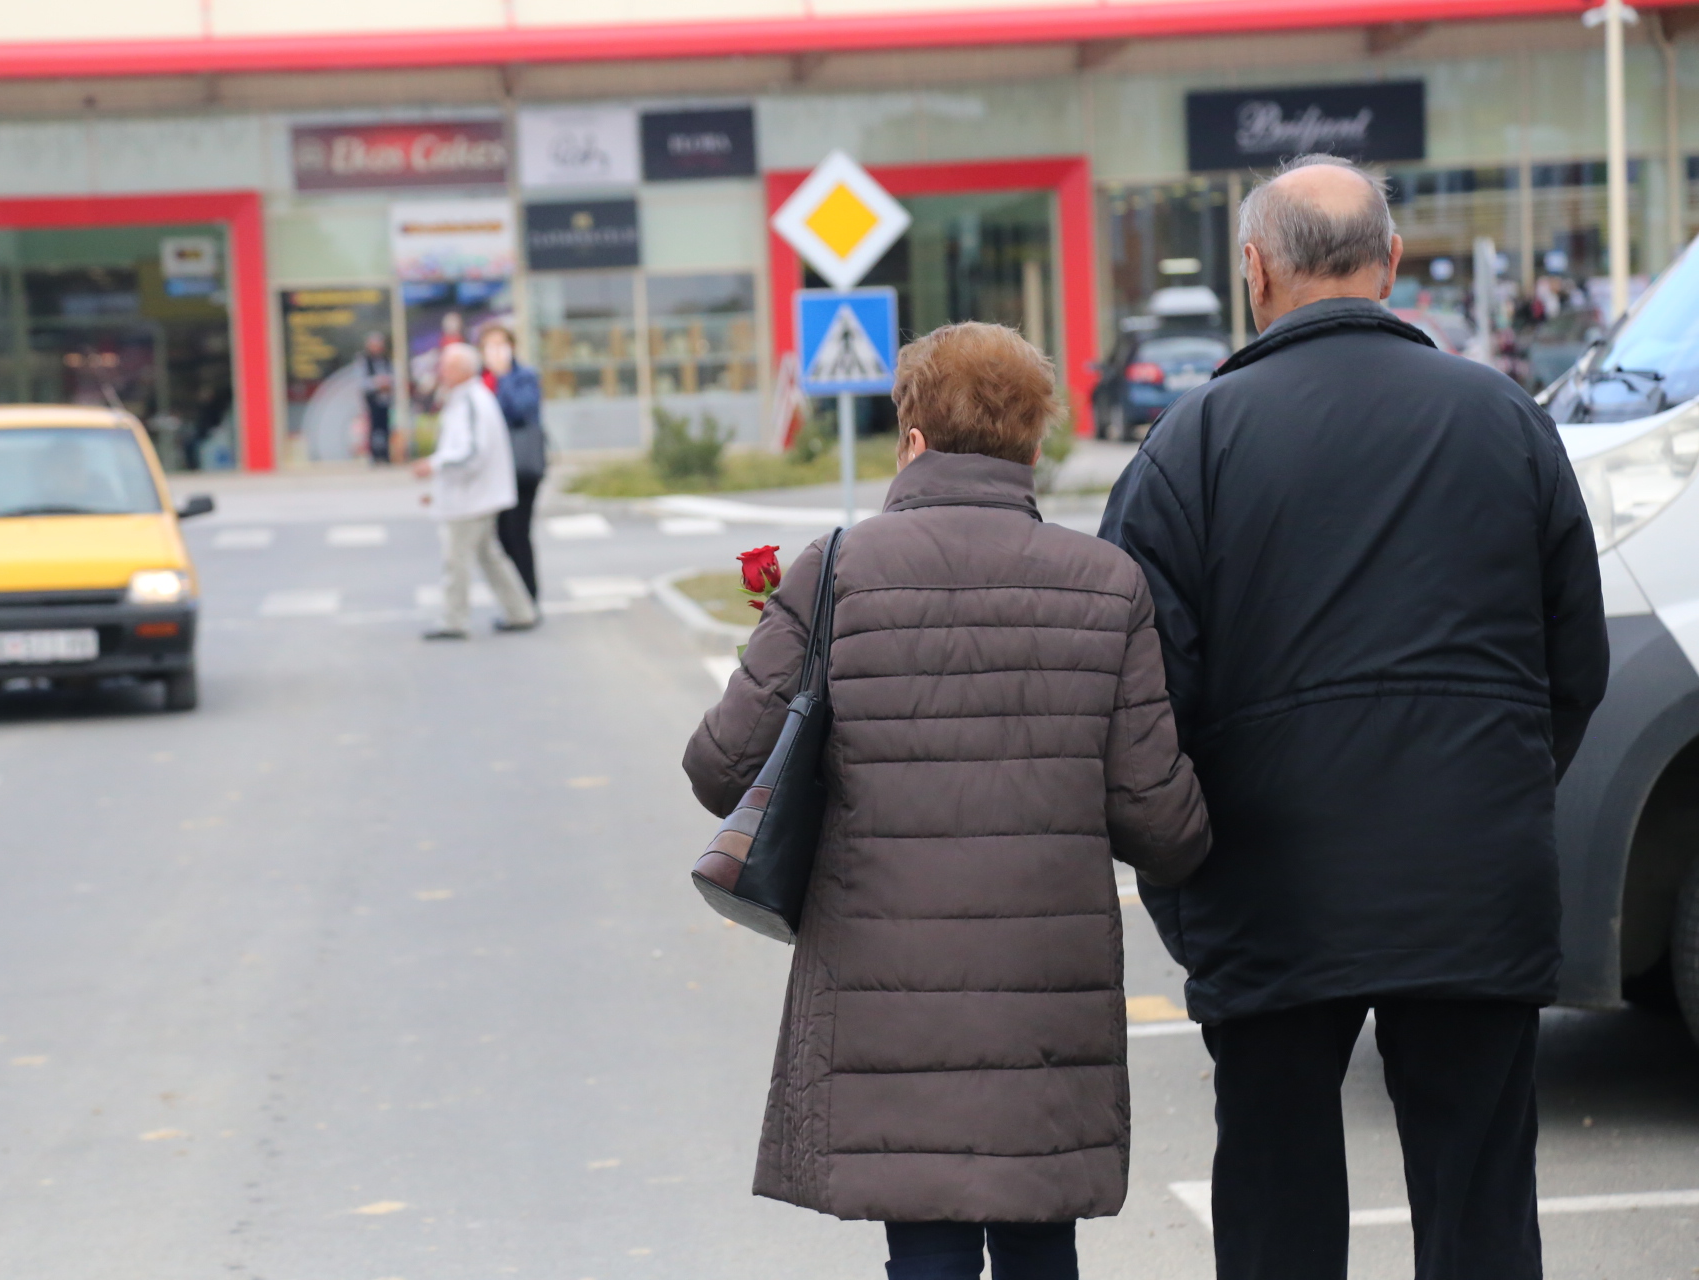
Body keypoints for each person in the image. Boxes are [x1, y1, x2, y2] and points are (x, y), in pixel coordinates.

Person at [1098, 154, 1609, 1280]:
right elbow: (1577, 660)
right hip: (1474, 870)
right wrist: (1500, 786)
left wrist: (1190, 876)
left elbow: (1138, 699)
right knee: (1478, 1198)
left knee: (1276, 1199)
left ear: (1254, 271)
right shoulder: (1506, 419)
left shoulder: (1189, 447)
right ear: (1390, 264)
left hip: (1269, 877)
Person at [683, 322, 1210, 1280]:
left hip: (889, 989)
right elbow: (1162, 826)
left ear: (913, 439)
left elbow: (722, 767)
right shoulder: (1106, 585)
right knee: (1040, 1230)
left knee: (923, 1239)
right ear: (1034, 444)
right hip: (1045, 992)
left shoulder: (838, 571)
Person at [413, 343, 537, 641]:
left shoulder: (470, 402)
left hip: (470, 498)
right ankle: (520, 611)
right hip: (474, 495)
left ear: (462, 370)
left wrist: (435, 466)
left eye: (446, 366)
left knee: (456, 561)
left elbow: (470, 452)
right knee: (489, 556)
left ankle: (454, 621)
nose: (440, 371)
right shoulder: (468, 399)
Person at [478, 323, 547, 600]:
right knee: (502, 537)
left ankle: (528, 597)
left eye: (500, 345)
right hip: (491, 470)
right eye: (489, 346)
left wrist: (503, 377)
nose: (495, 352)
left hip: (520, 468)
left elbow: (521, 411)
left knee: (518, 533)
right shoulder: (479, 380)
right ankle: (514, 600)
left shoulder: (523, 376)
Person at [359, 332, 394, 465]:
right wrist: (377, 383)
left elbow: (394, 377)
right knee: (373, 427)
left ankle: (385, 455)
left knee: (385, 427)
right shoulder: (364, 361)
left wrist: (387, 382)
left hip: (385, 399)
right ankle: (374, 455)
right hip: (372, 399)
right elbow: (361, 381)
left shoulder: (387, 360)